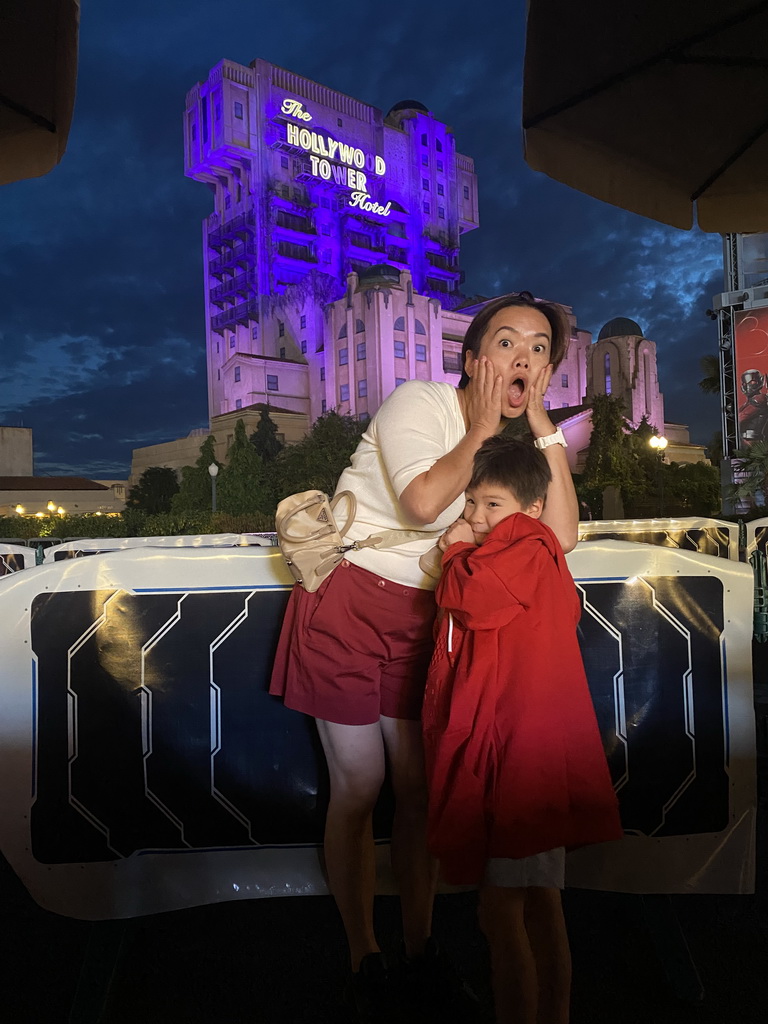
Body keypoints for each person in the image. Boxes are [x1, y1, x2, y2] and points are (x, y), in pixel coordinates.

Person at [269, 291, 580, 1022]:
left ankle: (419, 948)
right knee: (359, 784)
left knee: (417, 788)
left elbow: (558, 536)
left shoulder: (516, 448)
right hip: (348, 604)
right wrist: (478, 425)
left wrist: (541, 429)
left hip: (426, 619)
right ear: (473, 359)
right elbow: (420, 501)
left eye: (541, 350)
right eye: (508, 343)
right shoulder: (420, 402)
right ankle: (363, 955)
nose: (525, 359)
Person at [422, 436, 623, 1024]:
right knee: (537, 903)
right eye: (472, 504)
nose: (477, 517)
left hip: (520, 758)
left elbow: (474, 596)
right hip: (527, 750)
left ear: (532, 509)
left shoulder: (523, 550)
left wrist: (453, 553)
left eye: (493, 505)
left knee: (504, 908)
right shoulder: (530, 547)